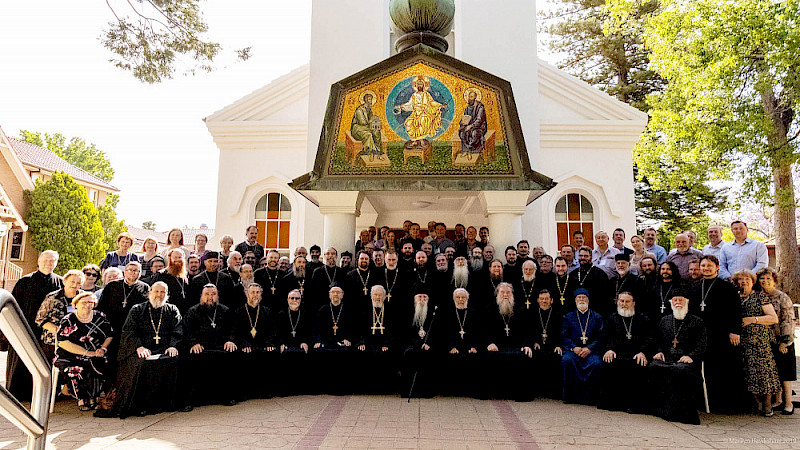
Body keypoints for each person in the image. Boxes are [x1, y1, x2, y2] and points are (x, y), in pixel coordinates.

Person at [100, 282, 182, 419]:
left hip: (164, 348)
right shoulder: (137, 309)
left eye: (163, 292)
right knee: (141, 363)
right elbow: (129, 331)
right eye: (157, 291)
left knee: (174, 360)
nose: (159, 295)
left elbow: (178, 330)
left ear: (167, 294)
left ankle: (167, 403)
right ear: (150, 292)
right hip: (141, 349)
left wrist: (173, 345)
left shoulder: (172, 310)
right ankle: (141, 405)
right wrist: (138, 346)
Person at [691, 255, 745, 413]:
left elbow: (735, 310)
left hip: (722, 333)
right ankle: (705, 402)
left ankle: (725, 404)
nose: (706, 268)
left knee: (723, 368)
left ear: (717, 267)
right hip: (702, 333)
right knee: (705, 368)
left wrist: (735, 331)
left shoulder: (727, 287)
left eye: (709, 266)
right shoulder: (695, 286)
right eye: (703, 266)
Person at [649, 293, 707, 424]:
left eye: (681, 300)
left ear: (687, 302)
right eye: (675, 300)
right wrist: (658, 352)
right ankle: (661, 409)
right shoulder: (665, 320)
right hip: (668, 359)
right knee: (654, 366)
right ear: (670, 303)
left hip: (688, 360)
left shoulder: (697, 321)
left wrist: (691, 356)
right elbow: (658, 341)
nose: (677, 302)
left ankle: (680, 412)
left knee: (680, 370)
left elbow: (702, 344)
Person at [182, 284, 239, 409]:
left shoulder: (225, 310)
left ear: (217, 296)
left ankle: (227, 396)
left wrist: (230, 340)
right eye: (207, 294)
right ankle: (192, 400)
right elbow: (187, 330)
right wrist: (193, 343)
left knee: (231, 356)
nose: (210, 297)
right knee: (192, 359)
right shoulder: (193, 311)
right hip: (201, 346)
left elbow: (233, 329)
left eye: (213, 294)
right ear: (201, 296)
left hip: (221, 346)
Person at [54, 292, 113, 411]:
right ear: (76, 304)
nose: (87, 305)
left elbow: (109, 335)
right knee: (77, 368)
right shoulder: (69, 320)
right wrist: (86, 353)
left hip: (96, 352)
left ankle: (94, 397)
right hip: (70, 354)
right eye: (84, 302)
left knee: (101, 363)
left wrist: (103, 348)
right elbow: (63, 342)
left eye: (91, 302)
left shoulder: (100, 317)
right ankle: (82, 398)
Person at [732, 271, 780, 416]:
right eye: (740, 280)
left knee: (764, 371)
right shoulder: (736, 298)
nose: (744, 282)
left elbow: (773, 318)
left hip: (760, 341)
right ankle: (753, 404)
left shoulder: (760, 297)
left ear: (753, 282)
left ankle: (767, 406)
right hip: (742, 340)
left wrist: (752, 319)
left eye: (747, 279)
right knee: (748, 371)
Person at [597, 292, 651, 413]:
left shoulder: (643, 319)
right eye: (621, 301)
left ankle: (633, 406)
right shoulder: (612, 319)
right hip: (617, 353)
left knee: (638, 365)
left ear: (633, 303)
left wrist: (643, 352)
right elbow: (605, 336)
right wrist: (609, 349)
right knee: (609, 362)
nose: (624, 304)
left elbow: (649, 338)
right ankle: (612, 403)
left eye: (627, 301)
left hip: (636, 354)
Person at [96, 261, 150, 377]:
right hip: (112, 329)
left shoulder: (145, 288)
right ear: (124, 272)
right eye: (130, 270)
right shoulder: (112, 286)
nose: (132, 272)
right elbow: (101, 308)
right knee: (110, 360)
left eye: (136, 270)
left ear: (140, 273)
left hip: (132, 331)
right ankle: (109, 390)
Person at [756, 268, 796, 415]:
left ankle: (788, 403)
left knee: (786, 373)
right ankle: (777, 401)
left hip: (782, 340)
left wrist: (785, 341)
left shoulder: (782, 297)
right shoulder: (758, 296)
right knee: (773, 372)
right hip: (765, 341)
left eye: (768, 278)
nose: (764, 281)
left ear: (774, 280)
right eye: (762, 278)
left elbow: (788, 319)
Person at [484, 283, 533, 400]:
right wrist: (489, 343)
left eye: (508, 293)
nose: (505, 295)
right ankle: (495, 393)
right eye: (502, 292)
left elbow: (529, 330)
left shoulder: (520, 309)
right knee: (488, 356)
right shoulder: (489, 309)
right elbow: (483, 330)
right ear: (497, 294)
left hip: (516, 346)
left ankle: (519, 395)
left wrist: (527, 345)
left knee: (524, 356)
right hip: (496, 346)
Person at [232, 283, 276, 399]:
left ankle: (265, 391)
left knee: (269, 354)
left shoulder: (266, 311)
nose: (255, 295)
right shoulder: (239, 312)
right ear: (247, 294)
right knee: (244, 356)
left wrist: (269, 343)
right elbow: (235, 332)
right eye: (252, 292)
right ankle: (246, 392)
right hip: (246, 345)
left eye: (258, 293)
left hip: (262, 344)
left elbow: (272, 331)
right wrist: (243, 344)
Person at [561, 288, 604, 405]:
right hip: (573, 351)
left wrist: (589, 348)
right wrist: (574, 347)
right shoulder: (568, 317)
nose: (581, 300)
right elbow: (564, 336)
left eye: (583, 297)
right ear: (575, 301)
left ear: (588, 300)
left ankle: (590, 398)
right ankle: (570, 397)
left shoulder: (597, 317)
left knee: (596, 363)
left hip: (591, 351)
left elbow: (600, 337)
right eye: (579, 298)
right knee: (567, 360)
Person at [313, 284, 356, 395]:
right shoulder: (323, 310)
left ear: (342, 295)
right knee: (319, 353)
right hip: (326, 342)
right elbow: (317, 328)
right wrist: (319, 340)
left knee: (345, 353)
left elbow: (352, 327)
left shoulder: (348, 309)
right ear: (329, 295)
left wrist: (348, 338)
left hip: (342, 342)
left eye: (338, 292)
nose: (335, 294)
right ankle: (324, 387)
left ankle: (343, 388)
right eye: (333, 292)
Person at [35, 269, 85, 362]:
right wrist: (59, 331)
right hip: (52, 342)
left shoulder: (84, 298)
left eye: (78, 283)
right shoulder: (52, 297)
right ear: (65, 281)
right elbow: (40, 319)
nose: (75, 285)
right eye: (72, 281)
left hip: (76, 344)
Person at [440, 289, 482, 397]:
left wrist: (474, 346)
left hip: (469, 345)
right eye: (458, 297)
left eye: (463, 297)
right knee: (451, 358)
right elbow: (444, 333)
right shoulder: (447, 313)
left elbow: (478, 332)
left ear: (467, 299)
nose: (460, 300)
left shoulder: (474, 313)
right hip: (453, 345)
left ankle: (471, 391)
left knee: (474, 358)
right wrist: (451, 347)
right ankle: (453, 390)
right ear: (454, 299)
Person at [355, 285, 396, 394]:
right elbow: (359, 329)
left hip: (384, 343)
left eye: (380, 295)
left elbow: (394, 330)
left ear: (384, 296)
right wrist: (361, 342)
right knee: (363, 353)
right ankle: (366, 389)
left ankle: (384, 389)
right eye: (375, 295)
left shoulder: (391, 309)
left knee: (386, 354)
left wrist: (388, 344)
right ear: (371, 296)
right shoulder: (364, 309)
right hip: (368, 343)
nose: (377, 297)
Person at [274, 289, 312, 396]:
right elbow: (277, 332)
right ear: (287, 300)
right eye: (292, 298)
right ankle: (285, 390)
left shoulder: (306, 314)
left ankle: (300, 389)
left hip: (300, 343)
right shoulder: (281, 314)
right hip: (285, 343)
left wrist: (305, 341)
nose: (294, 300)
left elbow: (309, 331)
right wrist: (281, 343)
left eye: (297, 298)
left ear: (300, 300)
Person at [401, 293, 437, 398]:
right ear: (415, 299)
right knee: (409, 354)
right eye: (419, 297)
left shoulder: (433, 314)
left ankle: (426, 392)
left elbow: (437, 332)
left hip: (428, 345)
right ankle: (408, 391)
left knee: (429, 355)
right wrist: (416, 344)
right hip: (411, 345)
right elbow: (404, 333)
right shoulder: (408, 313)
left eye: (424, 297)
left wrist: (429, 343)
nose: (422, 300)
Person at [530, 290, 563, 399]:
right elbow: (529, 331)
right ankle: (536, 391)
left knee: (556, 357)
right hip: (537, 345)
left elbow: (561, 332)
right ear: (538, 300)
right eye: (542, 299)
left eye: (546, 299)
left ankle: (553, 392)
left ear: (551, 300)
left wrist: (558, 345)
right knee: (534, 356)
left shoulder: (558, 315)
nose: (544, 301)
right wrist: (534, 341)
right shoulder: (532, 313)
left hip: (552, 345)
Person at [149, 248, 189, 313]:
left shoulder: (184, 276)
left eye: (180, 257)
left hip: (182, 311)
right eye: (175, 257)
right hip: (166, 312)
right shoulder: (160, 275)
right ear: (170, 259)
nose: (178, 260)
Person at [458, 88, 487, 156]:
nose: (469, 98)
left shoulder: (480, 107)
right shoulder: (467, 107)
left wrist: (471, 126)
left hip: (478, 127)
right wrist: (462, 122)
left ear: (475, 97)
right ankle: (466, 150)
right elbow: (465, 117)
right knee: (462, 132)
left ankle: (470, 151)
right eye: (469, 96)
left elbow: (479, 120)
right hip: (469, 126)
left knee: (474, 133)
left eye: (471, 97)